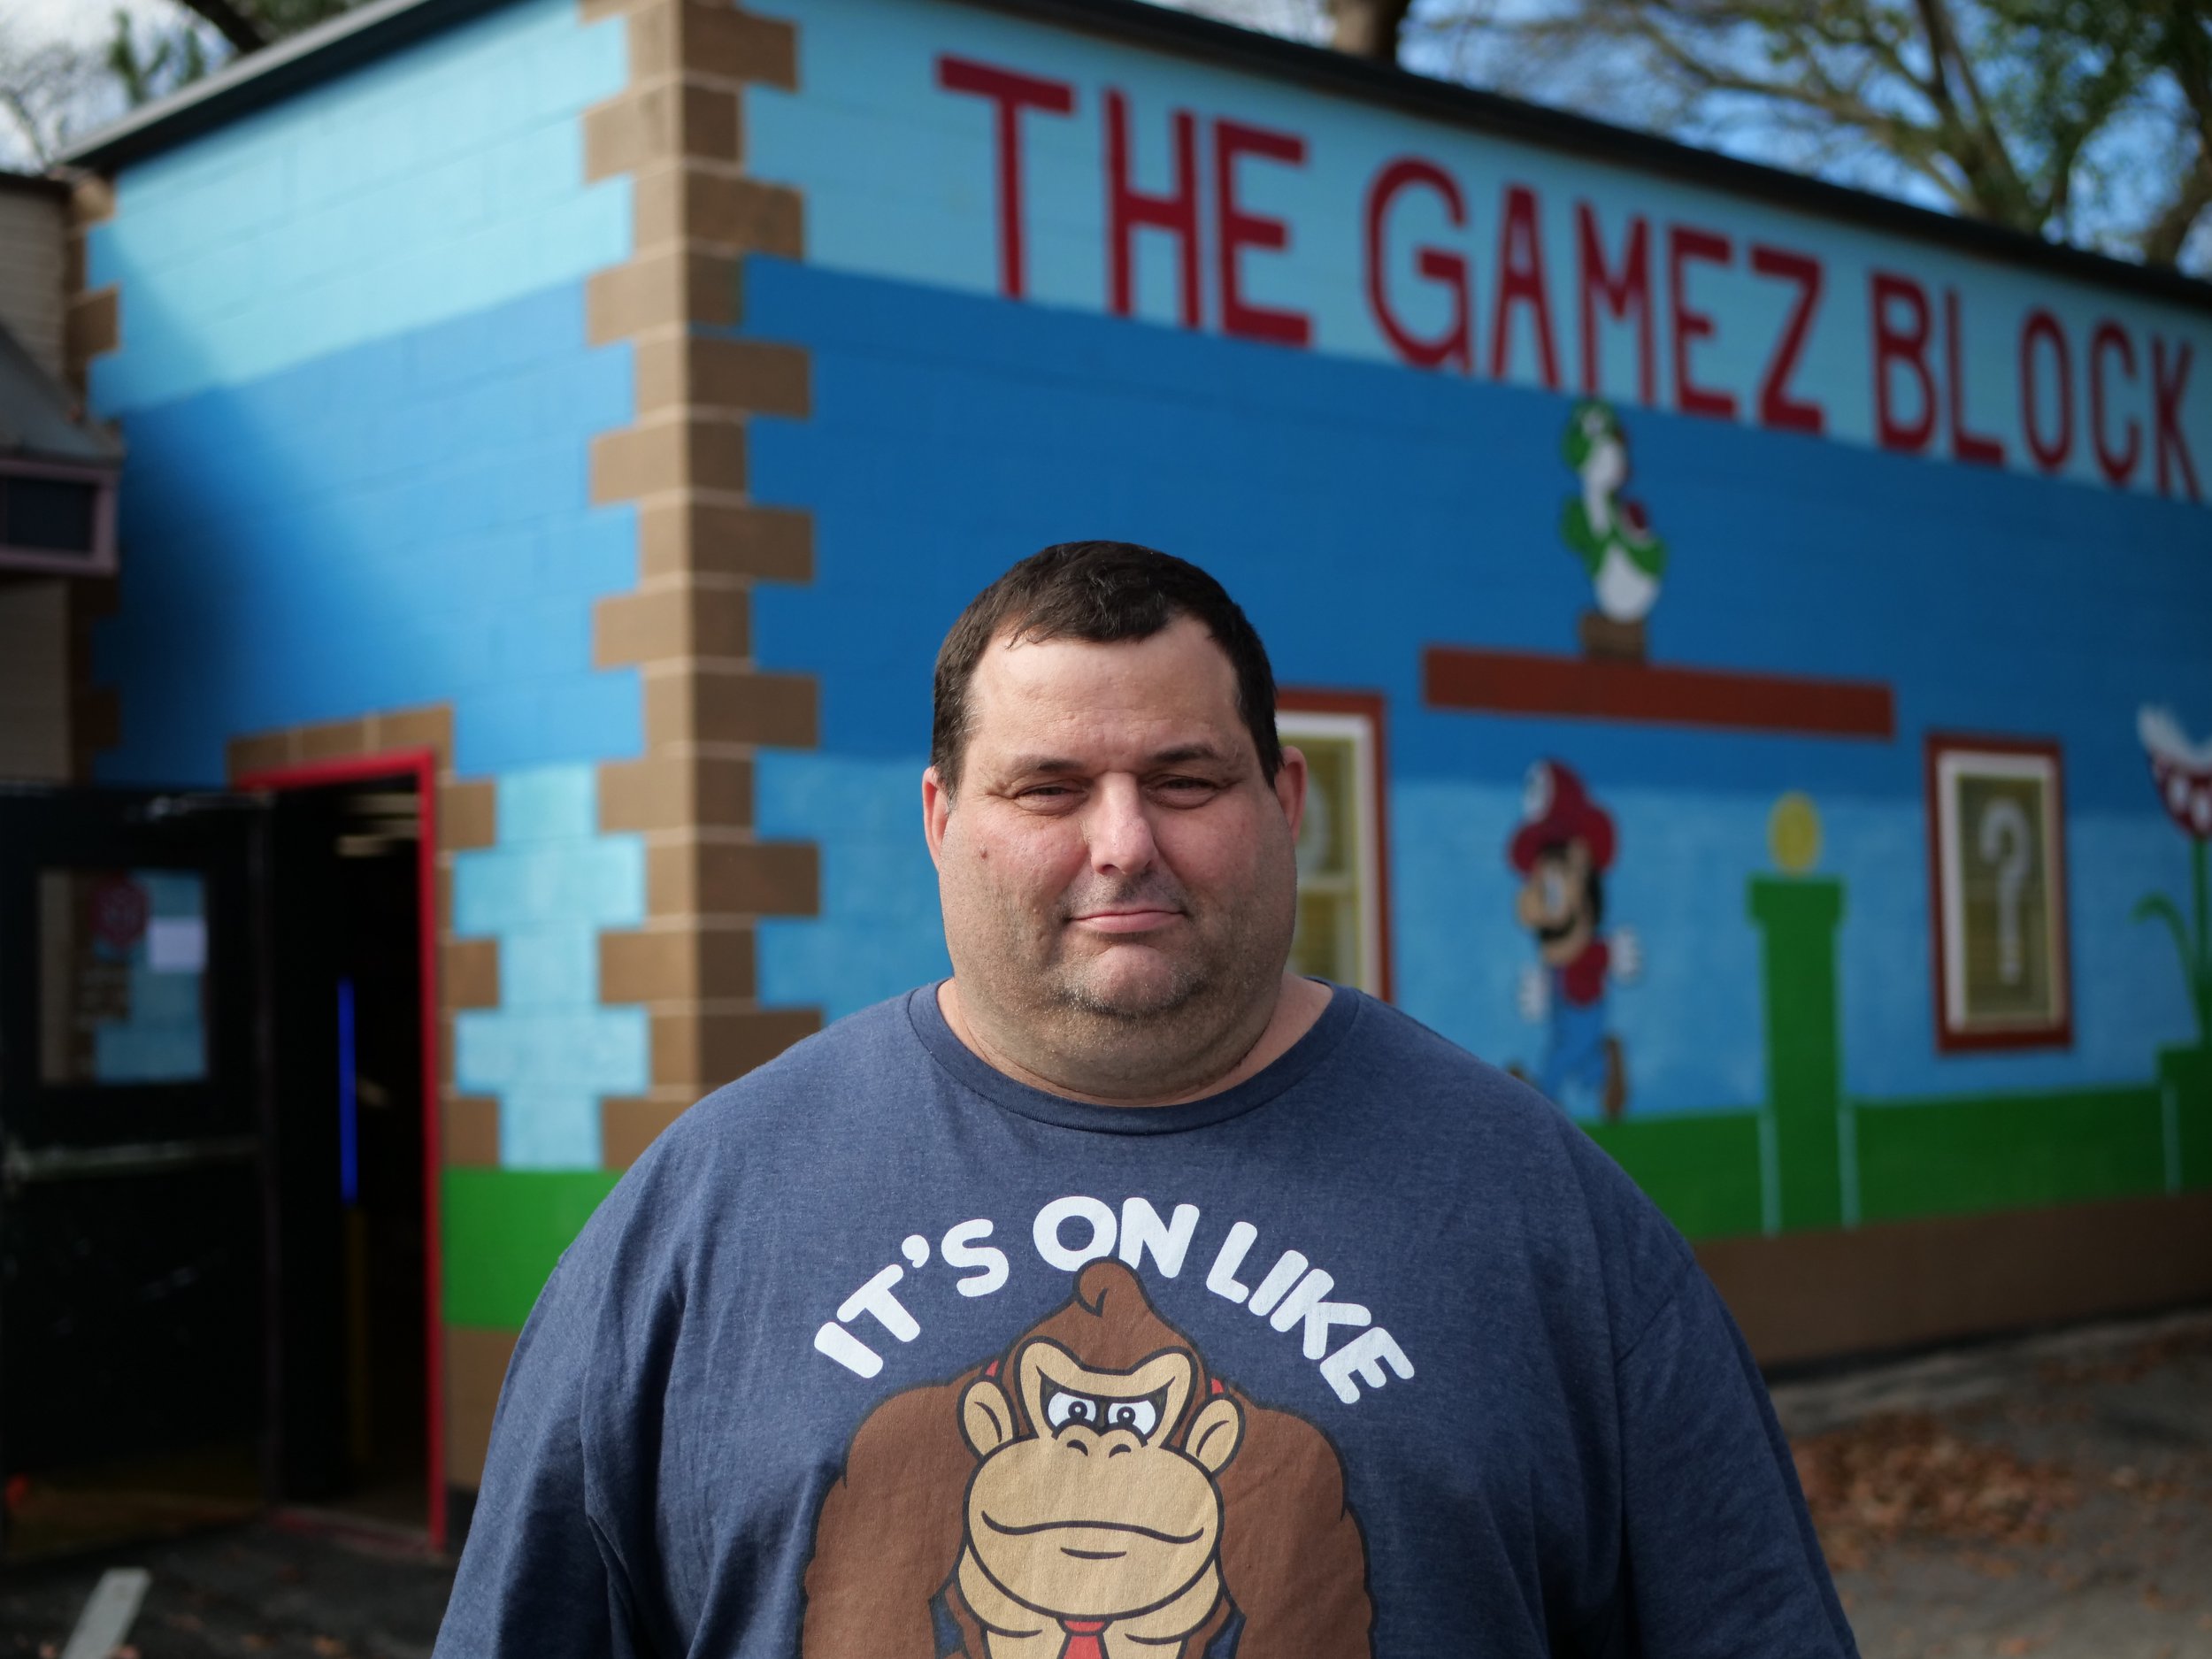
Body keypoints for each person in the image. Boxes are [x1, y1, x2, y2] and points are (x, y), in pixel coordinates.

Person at [434, 541, 1857, 1658]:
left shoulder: (1539, 1210)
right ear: (942, 820)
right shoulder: (703, 1215)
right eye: (1048, 789)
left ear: (1285, 803)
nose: (1123, 843)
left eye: (1184, 779)